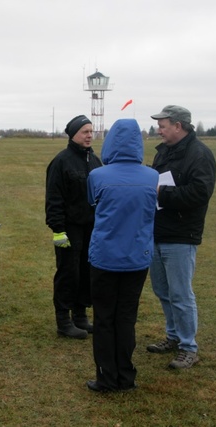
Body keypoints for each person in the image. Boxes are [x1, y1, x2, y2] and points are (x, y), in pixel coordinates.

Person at [85, 119, 159, 393]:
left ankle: (107, 376)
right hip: (137, 259)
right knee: (126, 318)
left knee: (105, 318)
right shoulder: (152, 176)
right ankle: (126, 376)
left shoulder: (98, 176)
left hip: (104, 258)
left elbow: (92, 203)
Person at [147, 105, 216, 369]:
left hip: (181, 235)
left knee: (180, 293)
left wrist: (160, 193)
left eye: (162, 125)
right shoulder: (164, 152)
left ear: (178, 126)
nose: (158, 129)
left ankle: (189, 347)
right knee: (162, 290)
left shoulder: (200, 154)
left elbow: (200, 193)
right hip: (158, 231)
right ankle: (173, 337)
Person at [45, 115, 103, 339]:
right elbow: (54, 198)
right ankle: (63, 320)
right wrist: (58, 229)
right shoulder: (61, 162)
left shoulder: (95, 160)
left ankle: (80, 316)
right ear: (73, 135)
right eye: (84, 131)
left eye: (91, 131)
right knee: (68, 273)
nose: (89, 135)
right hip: (69, 228)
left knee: (86, 272)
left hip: (92, 228)